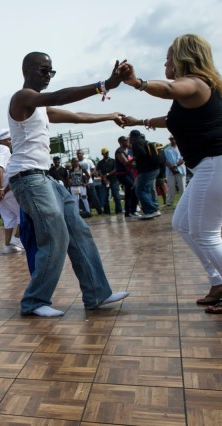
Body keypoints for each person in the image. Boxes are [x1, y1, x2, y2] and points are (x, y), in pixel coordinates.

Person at [7, 51, 129, 317]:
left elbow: (76, 116)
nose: (48, 75)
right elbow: (59, 96)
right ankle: (34, 301)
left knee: (78, 230)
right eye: (43, 70)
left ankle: (97, 293)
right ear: (26, 70)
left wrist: (109, 115)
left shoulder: (40, 107)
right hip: (27, 178)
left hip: (45, 177)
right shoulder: (23, 97)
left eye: (51, 71)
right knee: (56, 235)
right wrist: (104, 85)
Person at [119, 34, 222, 313]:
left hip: (214, 165)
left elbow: (167, 89)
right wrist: (140, 121)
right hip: (208, 167)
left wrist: (137, 82)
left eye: (168, 58)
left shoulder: (195, 83)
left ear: (182, 59)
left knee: (205, 233)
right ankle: (217, 281)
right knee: (183, 224)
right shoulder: (198, 90)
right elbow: (172, 119)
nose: (165, 63)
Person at [0, 128, 24, 254]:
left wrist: (0, 189)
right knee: (24, 212)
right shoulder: (4, 149)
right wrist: (3, 188)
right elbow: (0, 167)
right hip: (7, 190)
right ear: (3, 140)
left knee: (8, 219)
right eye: (9, 139)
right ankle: (17, 239)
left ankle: (7, 246)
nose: (11, 142)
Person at [129, 130, 162, 219]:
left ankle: (151, 211)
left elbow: (141, 154)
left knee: (140, 190)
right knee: (147, 190)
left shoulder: (136, 143)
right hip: (155, 169)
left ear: (132, 137)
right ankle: (152, 210)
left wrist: (133, 159)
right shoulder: (145, 141)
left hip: (147, 170)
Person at [114, 135, 139, 217]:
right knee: (133, 188)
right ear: (120, 142)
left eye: (127, 140)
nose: (127, 141)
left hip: (131, 173)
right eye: (125, 140)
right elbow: (125, 163)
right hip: (122, 174)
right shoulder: (119, 151)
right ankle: (132, 210)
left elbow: (133, 163)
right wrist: (135, 159)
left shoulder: (131, 150)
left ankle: (129, 212)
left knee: (129, 192)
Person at [96, 147, 123, 215]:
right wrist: (104, 178)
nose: (107, 154)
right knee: (105, 197)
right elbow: (99, 171)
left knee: (116, 195)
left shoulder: (113, 161)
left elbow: (115, 169)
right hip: (105, 181)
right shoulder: (100, 163)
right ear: (102, 154)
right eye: (105, 153)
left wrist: (107, 174)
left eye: (107, 153)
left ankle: (119, 210)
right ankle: (107, 211)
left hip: (114, 180)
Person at [164, 135, 186, 207]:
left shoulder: (181, 147)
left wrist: (176, 165)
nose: (172, 140)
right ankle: (169, 202)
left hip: (180, 169)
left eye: (173, 138)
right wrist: (171, 167)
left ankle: (184, 201)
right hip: (170, 170)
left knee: (182, 186)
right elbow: (164, 160)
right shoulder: (166, 149)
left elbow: (183, 158)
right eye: (171, 139)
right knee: (171, 187)